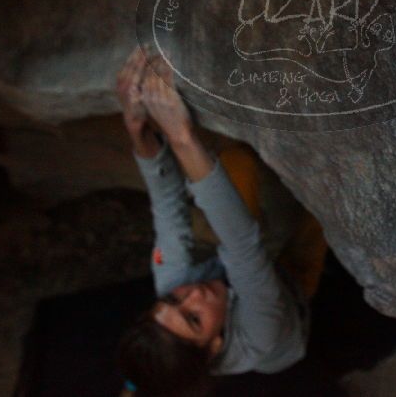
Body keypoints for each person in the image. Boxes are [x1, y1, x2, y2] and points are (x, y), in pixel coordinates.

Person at [114, 48, 313, 397]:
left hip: (246, 272)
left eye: (173, 301)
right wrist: (181, 137)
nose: (192, 294)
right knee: (314, 210)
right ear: (213, 347)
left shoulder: (177, 287)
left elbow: (167, 208)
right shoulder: (260, 336)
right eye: (194, 318)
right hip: (291, 298)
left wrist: (138, 132)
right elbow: (243, 247)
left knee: (235, 167)